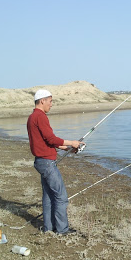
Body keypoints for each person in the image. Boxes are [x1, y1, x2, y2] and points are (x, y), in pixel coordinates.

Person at [26, 89, 84, 235]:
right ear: (42, 101)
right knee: (61, 197)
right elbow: (51, 139)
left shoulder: (32, 117)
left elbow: (47, 141)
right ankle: (62, 230)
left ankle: (49, 228)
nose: (51, 104)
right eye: (50, 101)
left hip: (41, 162)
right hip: (46, 163)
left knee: (49, 196)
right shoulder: (40, 117)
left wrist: (68, 148)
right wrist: (72, 142)